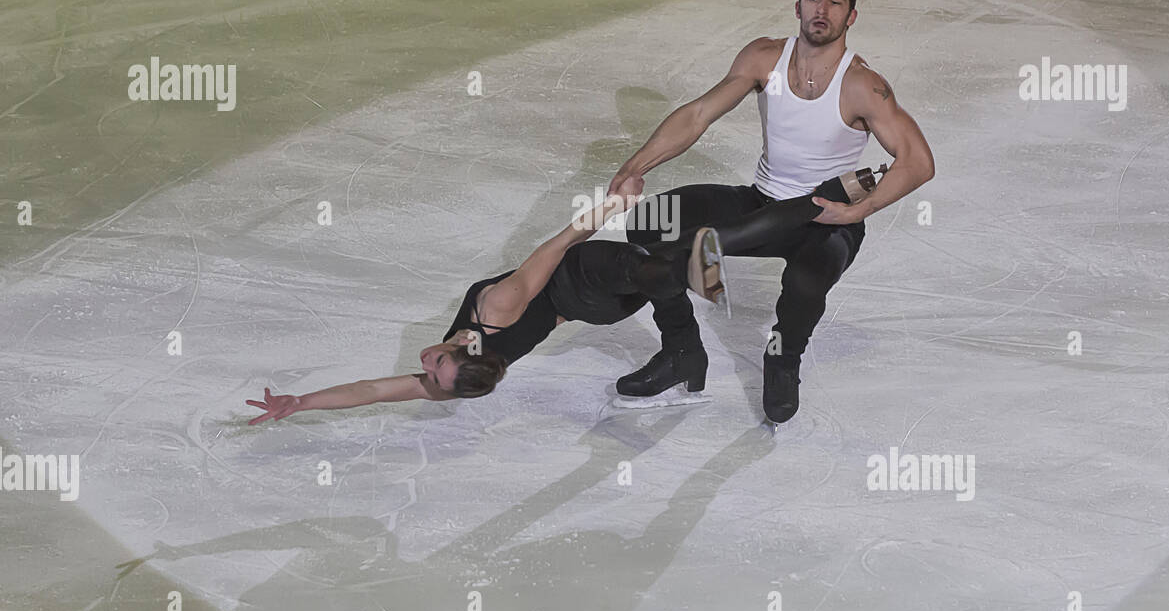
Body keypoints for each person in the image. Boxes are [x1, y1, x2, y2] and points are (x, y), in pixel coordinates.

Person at [244, 174, 862, 425]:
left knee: (657, 269)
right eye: (435, 367)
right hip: (585, 284)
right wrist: (605, 213)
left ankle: (686, 337)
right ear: (471, 357)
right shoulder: (493, 313)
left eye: (431, 367)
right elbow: (554, 250)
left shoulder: (488, 326)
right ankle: (718, 260)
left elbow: (377, 390)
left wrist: (300, 401)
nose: (425, 360)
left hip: (585, 295)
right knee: (663, 264)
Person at [607, 0, 936, 424]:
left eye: (835, 2)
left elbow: (918, 162)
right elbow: (699, 114)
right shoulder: (764, 58)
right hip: (761, 203)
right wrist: (635, 165)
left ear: (851, 16)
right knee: (647, 223)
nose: (822, 10)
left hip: (823, 219)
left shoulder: (863, 86)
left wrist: (857, 213)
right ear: (798, 6)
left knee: (805, 282)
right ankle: (682, 353)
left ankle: (783, 360)